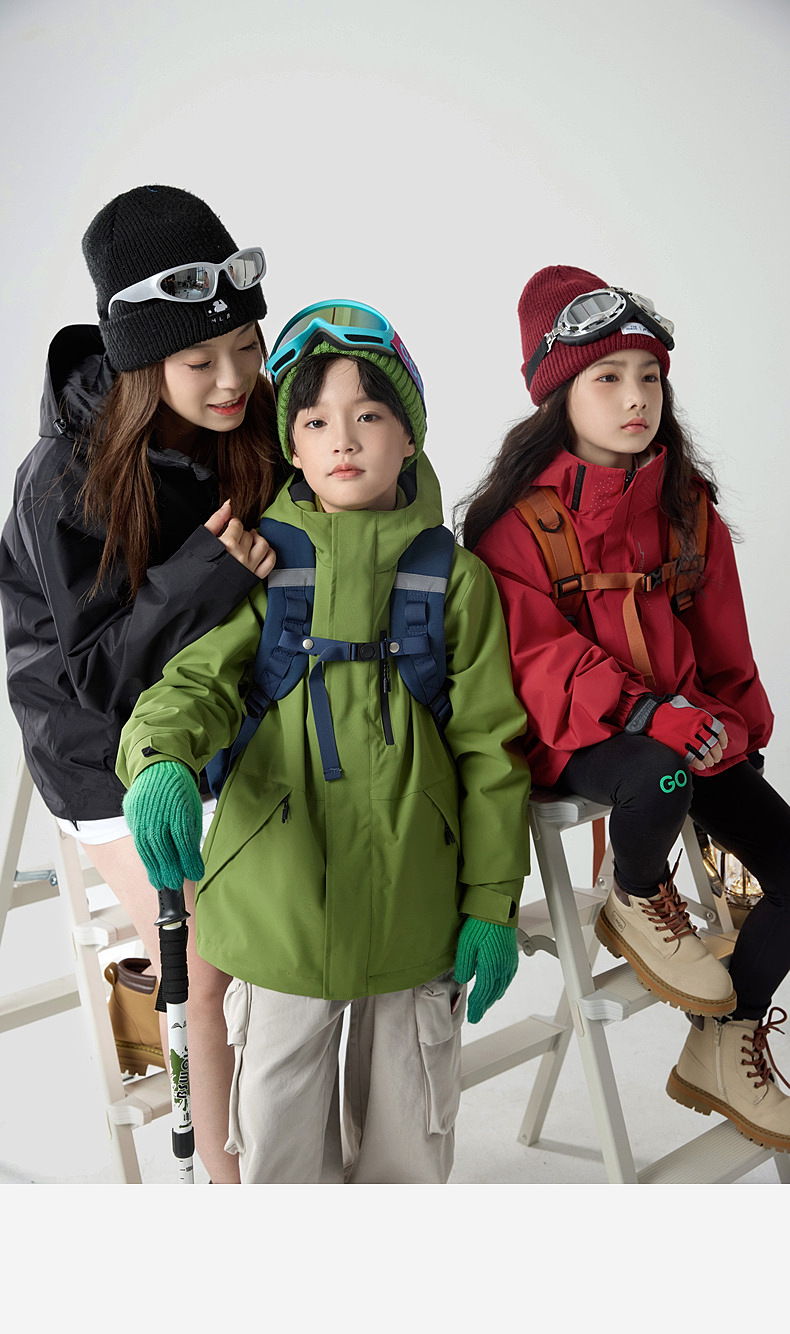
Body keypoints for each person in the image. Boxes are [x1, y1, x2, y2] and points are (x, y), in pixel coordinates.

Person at [115, 300, 532, 1184]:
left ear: (409, 438)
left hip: (417, 912)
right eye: (315, 422)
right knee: (277, 1155)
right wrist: (159, 761)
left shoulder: (455, 582)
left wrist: (493, 902)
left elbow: (491, 752)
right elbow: (196, 683)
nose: (343, 440)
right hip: (279, 917)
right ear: (292, 450)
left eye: (369, 416)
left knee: (406, 1155)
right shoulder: (261, 566)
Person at [463, 265, 790, 1154]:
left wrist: (735, 728)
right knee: (661, 774)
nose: (635, 397)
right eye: (607, 377)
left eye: (649, 376)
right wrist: (648, 717)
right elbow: (534, 659)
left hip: (682, 728)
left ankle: (727, 1039)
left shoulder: (685, 508)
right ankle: (636, 892)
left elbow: (723, 640)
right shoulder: (513, 526)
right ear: (558, 394)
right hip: (575, 737)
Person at [0, 185, 289, 1184]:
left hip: (225, 713)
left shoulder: (253, 419)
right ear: (141, 363)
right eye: (201, 362)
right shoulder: (62, 478)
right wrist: (212, 569)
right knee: (213, 957)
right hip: (100, 746)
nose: (232, 379)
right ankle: (227, 1190)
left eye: (245, 348)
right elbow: (97, 677)